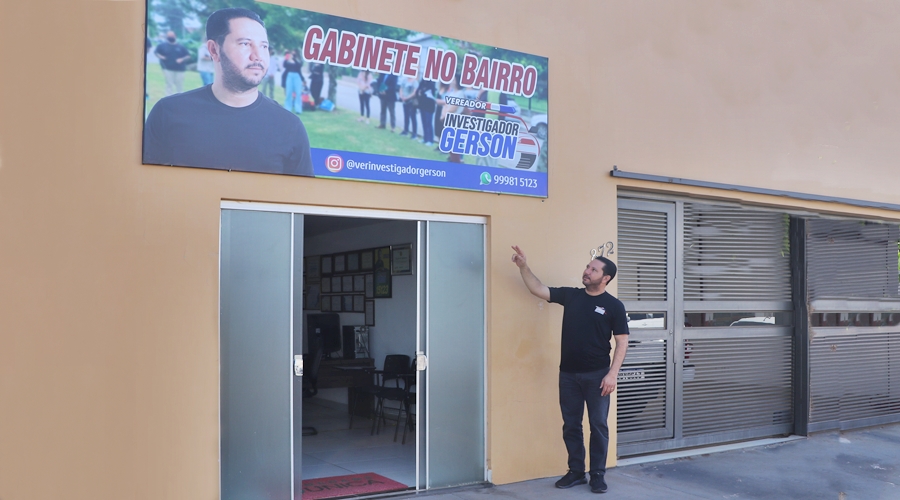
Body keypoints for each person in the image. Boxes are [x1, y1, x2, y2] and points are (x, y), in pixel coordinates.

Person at [511, 246, 629, 495]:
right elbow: (538, 289)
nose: (587, 271)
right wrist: (523, 266)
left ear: (605, 278)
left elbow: (622, 341)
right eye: (588, 267)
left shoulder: (614, 306)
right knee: (571, 424)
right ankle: (576, 471)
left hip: (598, 376)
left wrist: (612, 374)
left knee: (598, 425)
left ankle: (597, 474)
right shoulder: (572, 296)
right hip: (568, 375)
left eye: (593, 269)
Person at [143, 8, 313, 176]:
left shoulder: (290, 126)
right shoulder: (168, 112)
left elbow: (302, 200)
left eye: (264, 46)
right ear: (214, 50)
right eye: (245, 44)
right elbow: (144, 187)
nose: (257, 56)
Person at [155, 31, 191, 96]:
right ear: (167, 37)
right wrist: (161, 57)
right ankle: (168, 98)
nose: (171, 37)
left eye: (172, 36)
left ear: (175, 36)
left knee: (179, 85)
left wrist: (182, 59)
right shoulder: (162, 46)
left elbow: (188, 56)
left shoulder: (181, 47)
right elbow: (156, 52)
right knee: (169, 84)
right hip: (167, 68)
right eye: (169, 36)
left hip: (180, 69)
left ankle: (180, 98)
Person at [416, 79, 436, 145]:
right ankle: (425, 138)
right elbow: (418, 91)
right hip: (422, 106)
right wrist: (419, 92)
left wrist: (421, 92)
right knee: (424, 122)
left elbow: (430, 93)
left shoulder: (431, 84)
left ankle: (430, 140)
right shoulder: (422, 83)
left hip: (429, 107)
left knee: (428, 123)